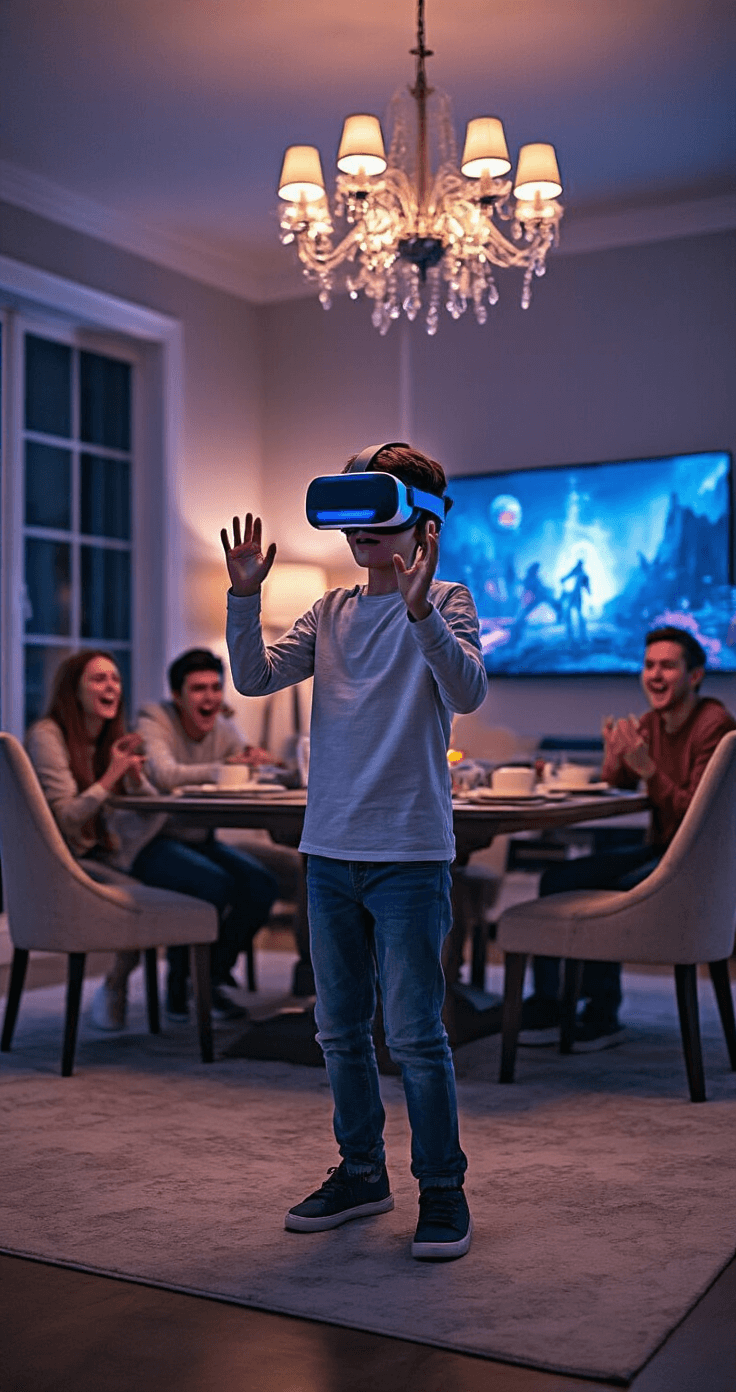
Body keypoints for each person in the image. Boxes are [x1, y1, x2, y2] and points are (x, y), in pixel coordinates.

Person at [222, 443, 488, 1262]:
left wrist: (420, 612)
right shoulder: (328, 613)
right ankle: (362, 1172)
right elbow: (254, 679)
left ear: (423, 523)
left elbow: (469, 691)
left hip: (409, 851)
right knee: (338, 1028)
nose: (360, 531)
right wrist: (245, 596)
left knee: (414, 1034)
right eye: (353, 514)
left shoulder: (448, 600)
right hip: (330, 850)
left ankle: (441, 1189)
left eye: (379, 510)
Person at [519, 625, 736, 1050]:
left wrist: (648, 768)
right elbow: (620, 786)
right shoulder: (652, 723)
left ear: (695, 676)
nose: (654, 675)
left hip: (694, 862)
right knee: (556, 879)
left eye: (667, 666)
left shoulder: (714, 725)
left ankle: (603, 1013)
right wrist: (615, 757)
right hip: (661, 848)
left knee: (608, 890)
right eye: (649, 665)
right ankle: (550, 1004)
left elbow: (696, 813)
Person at [132, 648, 279, 1022]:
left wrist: (260, 764)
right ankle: (180, 984)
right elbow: (163, 775)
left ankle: (210, 975)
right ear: (177, 696)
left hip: (200, 840)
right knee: (211, 884)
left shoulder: (223, 726)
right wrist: (225, 767)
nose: (210, 697)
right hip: (152, 841)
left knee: (262, 884)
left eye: (215, 688)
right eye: (198, 689)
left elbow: (248, 768)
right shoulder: (154, 718)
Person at [25, 650, 166, 1031]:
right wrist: (111, 776)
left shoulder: (109, 739)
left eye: (115, 679)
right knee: (144, 899)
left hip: (102, 854)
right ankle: (116, 984)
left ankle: (151, 984)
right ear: (74, 690)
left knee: (172, 885)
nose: (111, 687)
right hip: (63, 862)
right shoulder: (47, 735)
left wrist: (135, 779)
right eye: (99, 679)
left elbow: (156, 815)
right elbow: (67, 816)